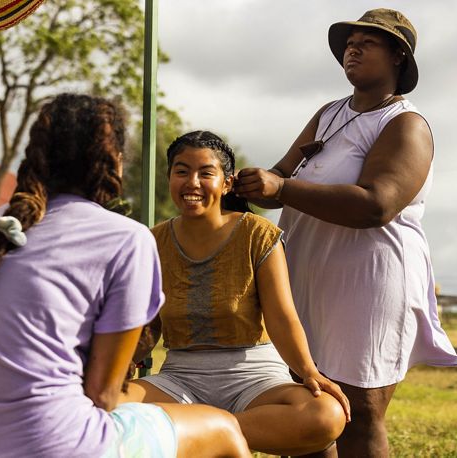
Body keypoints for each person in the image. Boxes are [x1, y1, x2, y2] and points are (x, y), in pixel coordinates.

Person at [0, 94, 251, 458]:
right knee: (224, 429)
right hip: (45, 446)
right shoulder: (128, 238)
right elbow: (102, 396)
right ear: (115, 163)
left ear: (37, 156)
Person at [233, 9, 457, 458]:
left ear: (398, 55)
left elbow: (378, 203)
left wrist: (283, 187)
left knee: (357, 413)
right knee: (309, 407)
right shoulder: (329, 114)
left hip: (369, 285)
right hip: (309, 278)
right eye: (349, 43)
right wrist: (249, 184)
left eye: (368, 42)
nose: (352, 49)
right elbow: (282, 178)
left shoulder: (405, 124)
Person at [120, 130, 349, 456]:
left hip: (256, 379)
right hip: (180, 378)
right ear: (169, 177)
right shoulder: (152, 241)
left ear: (226, 183)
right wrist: (120, 365)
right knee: (100, 405)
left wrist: (310, 372)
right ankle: (210, 430)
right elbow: (146, 323)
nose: (192, 183)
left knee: (324, 415)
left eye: (205, 173)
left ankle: (203, 432)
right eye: (181, 171)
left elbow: (281, 316)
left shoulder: (258, 234)